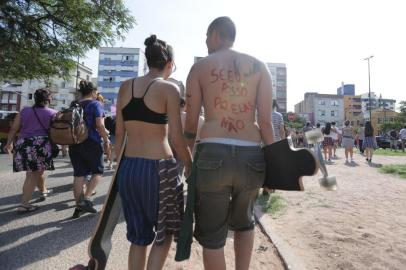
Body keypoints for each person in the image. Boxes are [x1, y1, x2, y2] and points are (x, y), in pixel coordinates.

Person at [182, 17, 274, 270]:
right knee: (245, 223)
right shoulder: (259, 67)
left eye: (206, 38)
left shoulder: (200, 68)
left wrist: (188, 162)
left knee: (212, 237)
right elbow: (266, 123)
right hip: (251, 157)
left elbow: (190, 125)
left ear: (214, 35)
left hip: (213, 154)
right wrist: (276, 164)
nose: (205, 43)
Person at [115, 35, 192, 270]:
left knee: (138, 238)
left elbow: (119, 135)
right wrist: (190, 164)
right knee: (165, 233)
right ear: (169, 63)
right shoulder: (169, 88)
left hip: (129, 168)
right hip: (159, 169)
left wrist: (120, 168)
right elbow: (177, 139)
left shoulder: (126, 86)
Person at [4, 88, 56, 213]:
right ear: (48, 99)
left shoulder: (24, 111)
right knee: (33, 175)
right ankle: (24, 204)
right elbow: (55, 131)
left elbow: (14, 129)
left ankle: (42, 191)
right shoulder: (53, 113)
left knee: (32, 173)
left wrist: (8, 143)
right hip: (40, 145)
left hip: (23, 143)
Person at [69, 80, 110, 217]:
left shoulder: (74, 105)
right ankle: (86, 199)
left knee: (79, 174)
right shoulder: (95, 104)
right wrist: (106, 139)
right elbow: (99, 124)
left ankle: (78, 206)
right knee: (98, 171)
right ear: (93, 92)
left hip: (74, 143)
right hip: (92, 142)